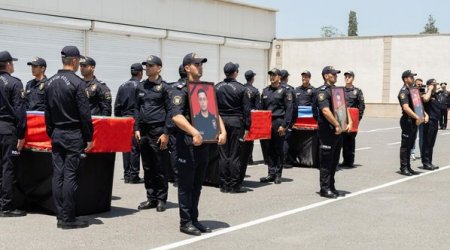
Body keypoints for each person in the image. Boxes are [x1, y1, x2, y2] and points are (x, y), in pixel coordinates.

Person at [169, 52, 226, 236]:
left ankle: (194, 218)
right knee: (186, 185)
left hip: (205, 142)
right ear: (187, 67)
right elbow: (176, 116)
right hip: (187, 142)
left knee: (197, 184)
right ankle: (185, 222)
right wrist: (193, 132)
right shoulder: (180, 89)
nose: (200, 67)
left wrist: (222, 130)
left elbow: (214, 112)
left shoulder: (205, 88)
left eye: (201, 64)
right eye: (197, 64)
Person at [44, 46, 93, 228]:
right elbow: (85, 115)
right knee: (70, 176)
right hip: (73, 134)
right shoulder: (78, 83)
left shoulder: (49, 82)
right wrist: (88, 137)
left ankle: (60, 215)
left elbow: (46, 112)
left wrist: (51, 131)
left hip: (57, 133)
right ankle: (68, 218)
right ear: (74, 61)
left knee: (58, 175)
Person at [135, 55, 171, 212]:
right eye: (146, 65)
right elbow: (136, 108)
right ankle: (151, 198)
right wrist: (136, 128)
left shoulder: (165, 87)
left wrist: (166, 133)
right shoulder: (141, 86)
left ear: (159, 68)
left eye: (150, 65)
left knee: (160, 166)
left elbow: (171, 112)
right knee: (148, 167)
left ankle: (162, 199)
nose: (147, 68)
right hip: (143, 131)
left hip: (158, 131)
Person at [314, 66, 350, 199]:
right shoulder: (322, 91)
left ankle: (331, 186)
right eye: (333, 74)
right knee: (326, 161)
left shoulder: (337, 91)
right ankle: (325, 188)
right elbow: (325, 111)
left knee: (334, 161)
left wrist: (348, 122)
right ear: (326, 76)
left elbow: (344, 107)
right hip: (327, 131)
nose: (336, 76)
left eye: (336, 74)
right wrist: (336, 124)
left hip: (338, 130)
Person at [215, 62, 251, 193]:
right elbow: (247, 110)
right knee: (235, 155)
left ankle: (224, 185)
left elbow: (213, 108)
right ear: (235, 72)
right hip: (236, 123)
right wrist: (248, 127)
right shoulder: (242, 89)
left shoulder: (217, 87)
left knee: (223, 155)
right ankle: (235, 185)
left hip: (221, 123)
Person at [0, 51, 27, 217]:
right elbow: (20, 111)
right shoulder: (14, 83)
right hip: (7, 129)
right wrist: (21, 134)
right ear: (8, 64)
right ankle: (6, 206)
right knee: (7, 167)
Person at [260, 68, 293, 184]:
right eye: (270, 75)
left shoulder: (285, 91)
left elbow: (289, 110)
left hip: (279, 122)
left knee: (279, 149)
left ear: (279, 77)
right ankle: (271, 173)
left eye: (274, 75)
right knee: (269, 149)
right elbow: (261, 110)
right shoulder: (265, 91)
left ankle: (278, 174)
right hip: (267, 122)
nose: (272, 77)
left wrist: (284, 125)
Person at [114, 63, 143, 184]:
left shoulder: (122, 86)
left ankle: (126, 174)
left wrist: (119, 119)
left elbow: (117, 106)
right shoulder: (141, 86)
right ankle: (134, 175)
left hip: (123, 119)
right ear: (140, 73)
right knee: (135, 148)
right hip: (135, 119)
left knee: (126, 148)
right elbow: (142, 105)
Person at [397, 70, 428, 176]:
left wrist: (424, 114)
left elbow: (418, 104)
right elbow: (405, 107)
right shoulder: (403, 91)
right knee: (405, 145)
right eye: (411, 77)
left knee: (410, 144)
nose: (413, 78)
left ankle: (408, 166)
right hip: (407, 120)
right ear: (405, 79)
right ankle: (403, 167)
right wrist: (417, 117)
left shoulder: (413, 90)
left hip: (415, 120)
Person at [167, 65, 187, 187]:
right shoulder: (191, 87)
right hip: (186, 124)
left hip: (172, 122)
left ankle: (175, 177)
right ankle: (180, 178)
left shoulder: (170, 87)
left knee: (174, 150)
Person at [340, 71, 365, 168]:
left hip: (352, 120)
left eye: (349, 76)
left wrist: (357, 120)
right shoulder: (340, 90)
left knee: (350, 141)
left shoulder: (357, 91)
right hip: (341, 119)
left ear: (353, 78)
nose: (347, 78)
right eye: (346, 76)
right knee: (340, 140)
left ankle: (349, 161)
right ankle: (342, 160)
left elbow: (361, 106)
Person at [290, 70, 315, 166]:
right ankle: (296, 160)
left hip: (308, 121)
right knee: (297, 141)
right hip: (297, 120)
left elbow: (314, 105)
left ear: (309, 78)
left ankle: (306, 161)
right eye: (303, 76)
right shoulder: (296, 90)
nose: (304, 78)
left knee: (306, 142)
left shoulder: (313, 90)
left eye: (306, 76)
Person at [240, 70, 260, 182]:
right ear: (252, 78)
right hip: (251, 117)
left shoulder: (242, 88)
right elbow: (258, 107)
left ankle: (245, 157)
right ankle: (250, 158)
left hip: (241, 118)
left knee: (242, 139)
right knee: (250, 139)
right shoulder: (255, 91)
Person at [421, 79, 440, 170]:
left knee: (431, 143)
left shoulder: (435, 95)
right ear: (429, 85)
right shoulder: (425, 94)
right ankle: (425, 163)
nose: (435, 86)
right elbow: (425, 99)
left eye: (436, 85)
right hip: (429, 121)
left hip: (435, 121)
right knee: (427, 142)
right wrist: (429, 89)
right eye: (433, 85)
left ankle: (429, 162)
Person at [280, 69, 296, 168]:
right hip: (287, 118)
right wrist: (293, 119)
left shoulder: (275, 88)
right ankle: (284, 161)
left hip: (277, 118)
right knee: (285, 139)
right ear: (286, 78)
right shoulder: (290, 89)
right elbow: (294, 106)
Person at [410, 78, 425, 160]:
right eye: (418, 84)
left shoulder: (423, 92)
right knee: (413, 136)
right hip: (415, 117)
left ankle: (422, 153)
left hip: (422, 116)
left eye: (421, 85)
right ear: (415, 84)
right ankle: (412, 152)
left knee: (422, 136)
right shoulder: (413, 92)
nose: (420, 86)